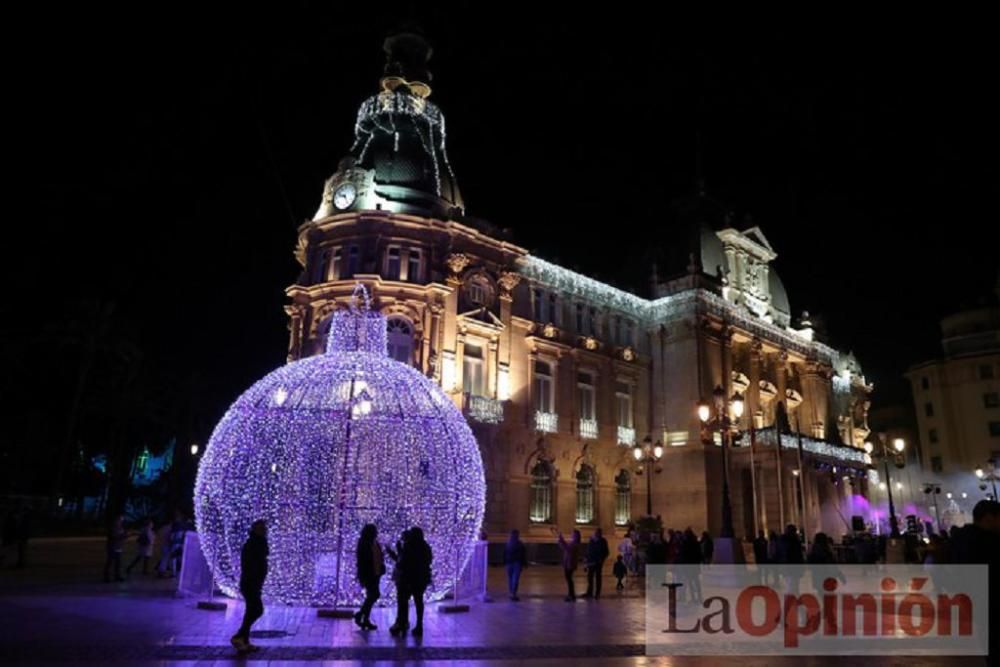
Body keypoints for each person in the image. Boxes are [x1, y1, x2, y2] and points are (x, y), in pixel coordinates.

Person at [231, 520, 268, 653]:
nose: (265, 530)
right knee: (257, 609)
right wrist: (255, 580)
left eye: (265, 528)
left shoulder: (259, 542)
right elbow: (251, 565)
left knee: (251, 610)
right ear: (255, 529)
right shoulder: (253, 544)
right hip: (250, 583)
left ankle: (244, 641)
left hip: (253, 583)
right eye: (262, 528)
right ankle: (239, 636)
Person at [389, 527, 433, 637]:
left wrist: (398, 551)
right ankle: (418, 625)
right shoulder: (425, 546)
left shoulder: (409, 546)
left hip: (407, 579)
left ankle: (401, 623)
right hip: (421, 579)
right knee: (419, 601)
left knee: (403, 601)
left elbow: (402, 563)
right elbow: (429, 561)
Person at [354, 523, 384, 630]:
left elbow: (379, 556)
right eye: (374, 531)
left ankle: (364, 618)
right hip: (369, 574)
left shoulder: (374, 543)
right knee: (374, 594)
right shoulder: (364, 543)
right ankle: (361, 615)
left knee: (372, 595)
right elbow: (363, 560)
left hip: (376, 573)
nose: (376, 533)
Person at [554, 528, 581, 602]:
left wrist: (561, 539)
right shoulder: (573, 543)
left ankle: (571, 595)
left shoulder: (575, 544)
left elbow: (568, 549)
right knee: (569, 579)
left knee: (569, 580)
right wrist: (560, 541)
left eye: (573, 534)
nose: (572, 535)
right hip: (568, 563)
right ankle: (571, 594)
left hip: (570, 564)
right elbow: (565, 548)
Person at [583, 528, 610, 600]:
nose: (596, 534)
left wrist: (601, 560)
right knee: (590, 577)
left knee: (598, 578)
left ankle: (597, 593)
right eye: (596, 533)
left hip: (598, 563)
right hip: (591, 562)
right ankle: (589, 592)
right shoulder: (591, 541)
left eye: (598, 533)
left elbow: (606, 552)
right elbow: (588, 550)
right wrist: (586, 559)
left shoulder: (603, 541)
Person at [503, 529, 527, 601]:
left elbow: (504, 554)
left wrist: (505, 562)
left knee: (510, 579)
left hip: (509, 563)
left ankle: (512, 592)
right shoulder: (520, 544)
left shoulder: (508, 544)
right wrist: (524, 563)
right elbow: (523, 555)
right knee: (515, 579)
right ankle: (513, 593)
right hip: (516, 563)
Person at [103, 515, 126, 582]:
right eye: (120, 520)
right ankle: (106, 577)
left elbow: (122, 536)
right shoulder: (112, 528)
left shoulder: (121, 528)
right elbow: (113, 537)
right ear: (116, 520)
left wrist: (125, 536)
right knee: (110, 562)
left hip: (118, 547)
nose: (121, 521)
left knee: (118, 563)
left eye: (122, 520)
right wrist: (121, 536)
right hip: (112, 547)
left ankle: (117, 576)